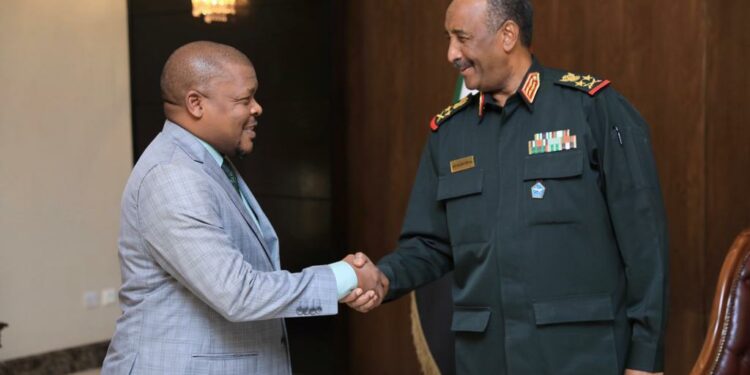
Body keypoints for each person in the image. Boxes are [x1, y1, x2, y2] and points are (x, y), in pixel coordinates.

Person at [344, 0, 669, 374]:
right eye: (448, 39)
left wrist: (646, 360)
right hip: (486, 359)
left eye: (462, 38)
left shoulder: (591, 110)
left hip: (580, 357)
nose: (452, 53)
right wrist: (384, 278)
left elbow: (646, 244)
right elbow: (429, 244)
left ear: (508, 35)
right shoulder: (449, 134)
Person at [102, 41, 382, 374]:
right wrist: (345, 276)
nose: (257, 108)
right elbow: (238, 292)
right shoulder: (172, 175)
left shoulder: (208, 163)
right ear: (196, 103)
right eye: (244, 99)